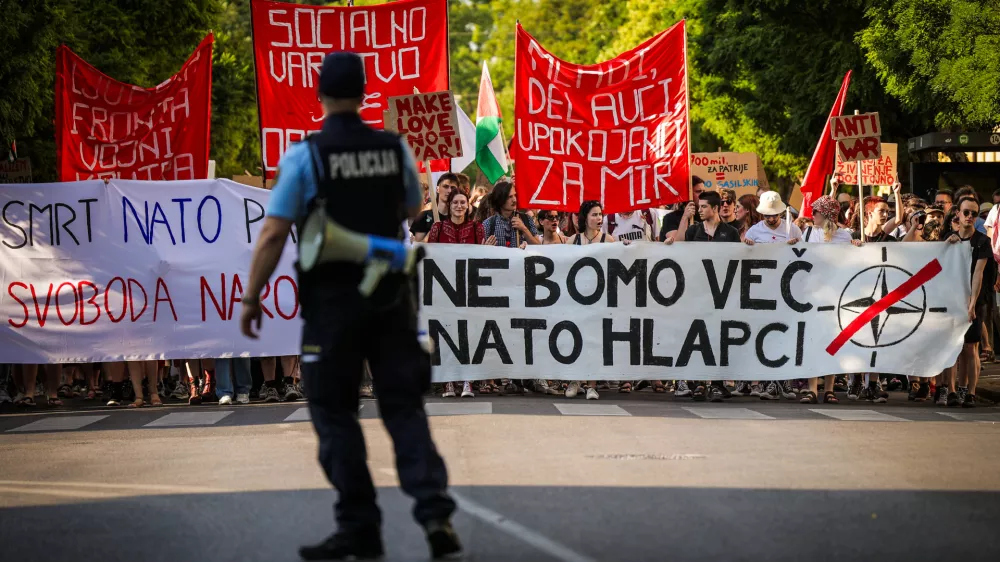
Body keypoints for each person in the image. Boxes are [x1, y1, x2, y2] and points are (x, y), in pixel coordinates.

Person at [239, 52, 461, 560]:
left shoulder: (305, 156)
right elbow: (410, 207)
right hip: (390, 298)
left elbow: (274, 231)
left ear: (320, 95)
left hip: (332, 305)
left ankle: (360, 526)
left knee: (335, 413)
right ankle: (436, 517)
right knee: (404, 408)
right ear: (365, 95)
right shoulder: (394, 147)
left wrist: (252, 297)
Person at [668, 191, 740, 401]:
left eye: (703, 207)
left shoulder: (731, 232)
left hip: (720, 295)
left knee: (718, 337)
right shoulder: (694, 230)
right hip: (696, 293)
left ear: (715, 208)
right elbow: (679, 243)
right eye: (698, 207)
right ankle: (698, 383)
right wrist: (684, 217)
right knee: (697, 336)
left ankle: (717, 384)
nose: (699, 210)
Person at [797, 195, 863, 405]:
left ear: (825, 214)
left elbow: (854, 260)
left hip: (836, 296)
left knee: (833, 343)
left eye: (815, 211)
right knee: (813, 342)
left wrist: (857, 245)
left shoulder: (844, 236)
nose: (811, 215)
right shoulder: (807, 233)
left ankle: (829, 389)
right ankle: (812, 389)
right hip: (812, 295)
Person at [742, 192, 803, 401]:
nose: (771, 219)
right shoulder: (754, 231)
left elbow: (804, 254)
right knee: (765, 333)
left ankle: (784, 381)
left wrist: (796, 247)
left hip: (786, 289)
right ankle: (765, 381)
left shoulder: (791, 228)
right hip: (762, 290)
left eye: (774, 214)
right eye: (768, 215)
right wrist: (748, 247)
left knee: (783, 333)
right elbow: (744, 256)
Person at [427, 189, 485, 399]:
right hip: (445, 291)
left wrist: (488, 251)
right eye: (455, 203)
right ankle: (448, 381)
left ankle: (467, 380)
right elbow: (430, 257)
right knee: (445, 335)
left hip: (470, 290)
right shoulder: (438, 227)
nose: (459, 206)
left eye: (463, 202)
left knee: (468, 335)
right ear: (449, 206)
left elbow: (483, 257)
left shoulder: (477, 228)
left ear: (468, 206)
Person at [564, 201, 617, 400]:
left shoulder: (608, 240)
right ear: (585, 217)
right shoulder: (572, 241)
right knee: (575, 339)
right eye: (594, 214)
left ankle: (592, 384)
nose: (599, 218)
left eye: (600, 214)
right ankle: (575, 380)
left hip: (599, 299)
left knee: (595, 341)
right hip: (576, 300)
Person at [945, 197, 992, 408]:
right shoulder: (949, 238)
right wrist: (947, 245)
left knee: (970, 347)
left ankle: (970, 392)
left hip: (975, 299)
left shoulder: (982, 241)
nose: (970, 217)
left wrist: (972, 304)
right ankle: (952, 390)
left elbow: (978, 275)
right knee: (952, 347)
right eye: (966, 212)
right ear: (958, 213)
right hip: (951, 300)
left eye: (974, 213)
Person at [482, 180, 540, 248]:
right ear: (500, 199)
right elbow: (480, 253)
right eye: (510, 197)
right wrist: (486, 248)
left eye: (515, 195)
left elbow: (539, 247)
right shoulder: (488, 224)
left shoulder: (526, 219)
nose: (514, 200)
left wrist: (524, 229)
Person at [410, 174, 458, 243]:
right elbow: (418, 246)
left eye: (453, 188)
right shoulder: (423, 216)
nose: (449, 191)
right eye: (445, 186)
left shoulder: (461, 217)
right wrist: (431, 234)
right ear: (437, 189)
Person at [659, 176, 705, 241]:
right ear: (687, 194)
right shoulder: (670, 218)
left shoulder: (704, 216)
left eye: (704, 191)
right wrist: (685, 217)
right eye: (698, 191)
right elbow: (678, 243)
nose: (703, 195)